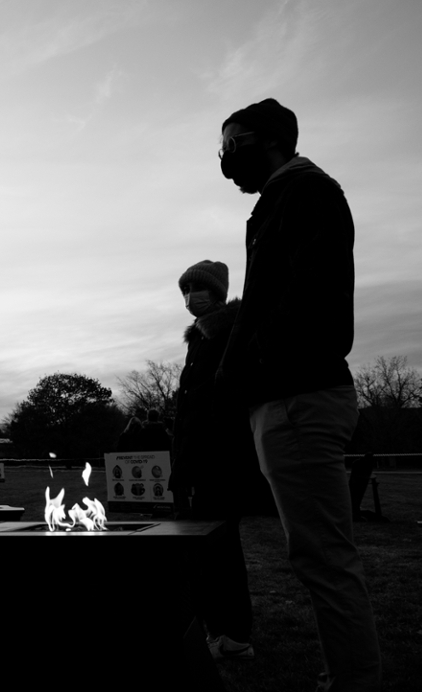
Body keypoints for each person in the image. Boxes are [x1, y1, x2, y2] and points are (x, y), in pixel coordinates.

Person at [216, 99, 381, 691]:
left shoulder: (308, 193)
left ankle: (354, 683)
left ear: (269, 141)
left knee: (324, 559)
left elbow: (310, 302)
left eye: (230, 145)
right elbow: (265, 304)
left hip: (300, 399)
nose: (224, 161)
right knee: (315, 556)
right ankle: (347, 673)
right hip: (282, 398)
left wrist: (251, 365)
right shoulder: (277, 203)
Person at [169, 260, 258, 660]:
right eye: (185, 290)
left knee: (220, 551)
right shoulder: (199, 339)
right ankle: (215, 631)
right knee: (200, 553)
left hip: (219, 459)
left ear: (218, 292)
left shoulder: (231, 332)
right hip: (195, 461)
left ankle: (234, 635)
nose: (191, 297)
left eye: (198, 288)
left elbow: (220, 402)